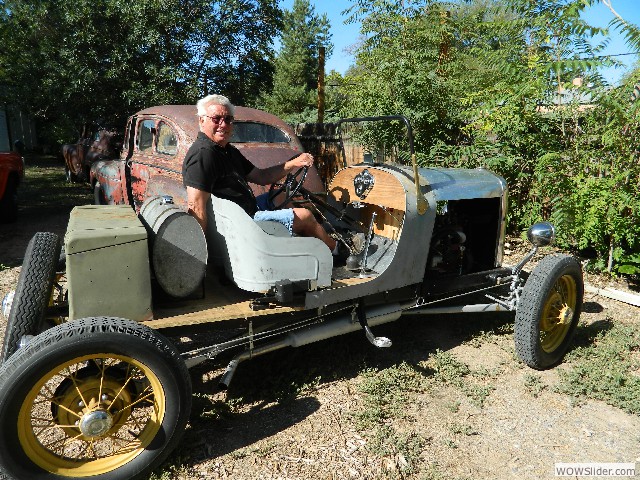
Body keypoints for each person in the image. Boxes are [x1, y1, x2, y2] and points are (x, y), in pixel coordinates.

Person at [182, 94, 338, 253]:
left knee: (280, 195)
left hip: (248, 208)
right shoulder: (203, 155)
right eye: (216, 119)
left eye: (228, 119)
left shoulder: (227, 151)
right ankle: (335, 248)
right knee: (305, 216)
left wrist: (292, 164)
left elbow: (261, 177)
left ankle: (292, 243)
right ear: (202, 120)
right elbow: (196, 206)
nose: (223, 124)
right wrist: (201, 254)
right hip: (244, 222)